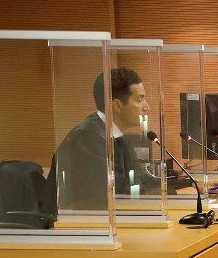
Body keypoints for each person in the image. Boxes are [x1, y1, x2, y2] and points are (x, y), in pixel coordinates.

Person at [44, 67, 152, 214]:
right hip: (78, 229)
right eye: (140, 99)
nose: (147, 107)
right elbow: (115, 193)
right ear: (117, 106)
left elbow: (138, 180)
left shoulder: (116, 137)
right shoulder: (86, 140)